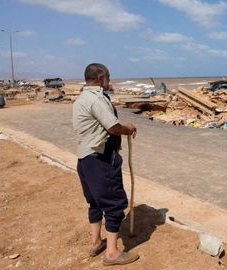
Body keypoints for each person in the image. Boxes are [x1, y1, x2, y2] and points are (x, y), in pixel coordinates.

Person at [73, 63, 139, 266]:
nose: (110, 81)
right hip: (101, 160)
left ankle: (96, 242)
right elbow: (113, 128)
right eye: (108, 77)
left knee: (95, 202)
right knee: (114, 204)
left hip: (85, 159)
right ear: (101, 78)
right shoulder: (97, 99)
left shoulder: (81, 98)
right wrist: (128, 128)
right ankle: (111, 253)